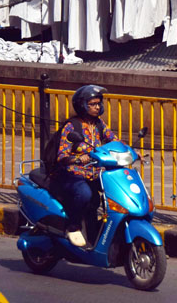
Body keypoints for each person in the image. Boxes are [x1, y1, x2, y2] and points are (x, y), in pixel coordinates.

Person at [53, 84, 118, 247]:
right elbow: (62, 156)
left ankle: (96, 235)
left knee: (111, 194)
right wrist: (77, 159)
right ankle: (73, 226)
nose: (97, 107)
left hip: (95, 173)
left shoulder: (99, 124)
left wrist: (131, 151)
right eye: (93, 104)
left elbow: (113, 140)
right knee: (85, 194)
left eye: (99, 103)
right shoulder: (72, 126)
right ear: (82, 105)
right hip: (73, 175)